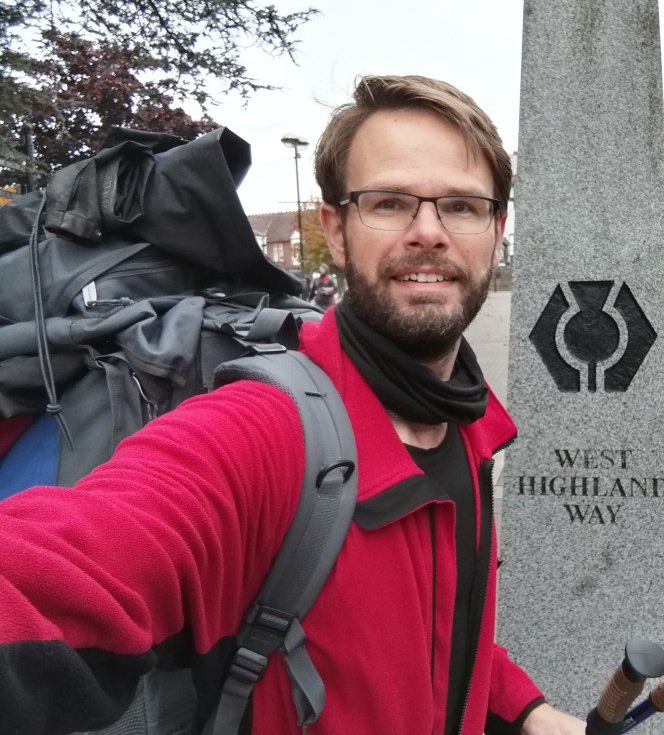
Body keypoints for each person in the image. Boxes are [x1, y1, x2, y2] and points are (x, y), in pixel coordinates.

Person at [0, 75, 585, 734]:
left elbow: (437, 622)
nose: (429, 232)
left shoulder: (466, 426)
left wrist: (525, 709)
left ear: (496, 228)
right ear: (336, 231)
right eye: (390, 203)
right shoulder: (264, 431)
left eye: (461, 205)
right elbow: (56, 569)